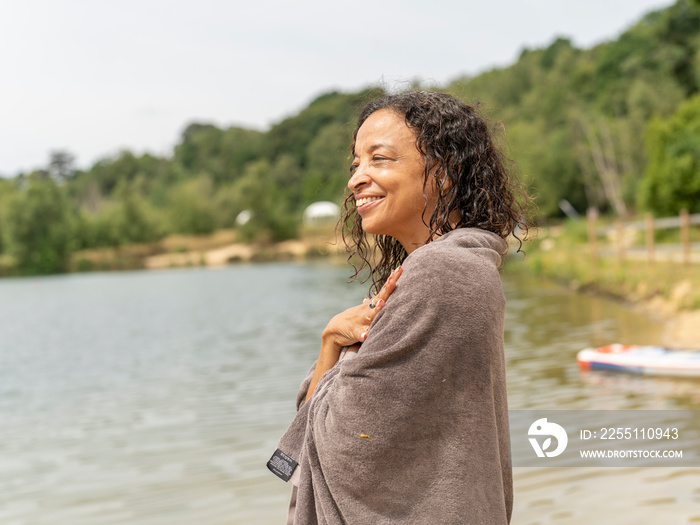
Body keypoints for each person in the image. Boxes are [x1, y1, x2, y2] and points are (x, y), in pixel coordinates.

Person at [267, 91, 527, 524]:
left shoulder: (441, 271)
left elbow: (345, 441)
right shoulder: (463, 266)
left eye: (380, 159)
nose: (356, 179)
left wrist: (336, 355)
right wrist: (332, 340)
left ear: (445, 172)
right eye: (356, 164)